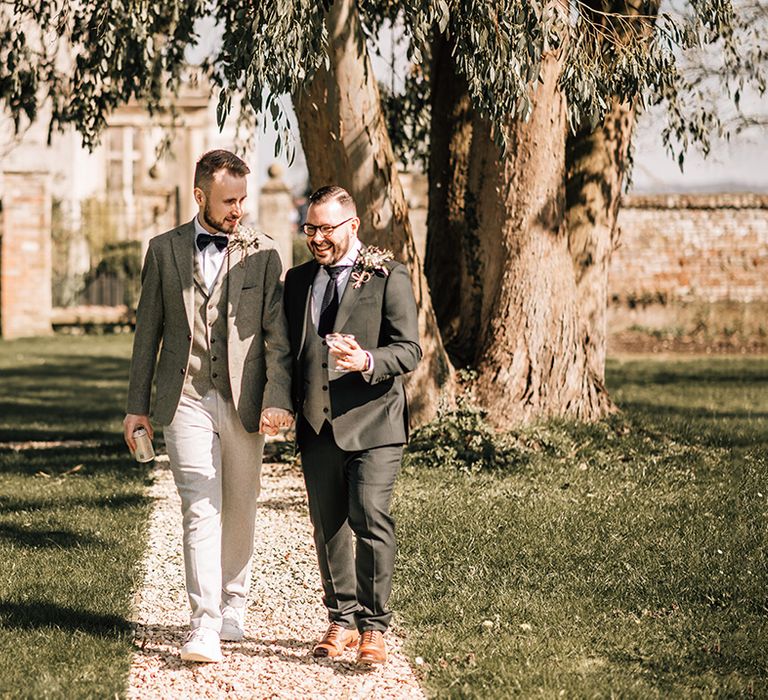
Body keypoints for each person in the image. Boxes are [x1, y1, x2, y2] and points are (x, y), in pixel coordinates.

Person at [123, 149, 293, 663]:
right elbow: (147, 332)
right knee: (200, 504)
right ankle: (204, 622)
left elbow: (276, 337)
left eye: (243, 199)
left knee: (240, 502)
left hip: (244, 399)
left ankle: (234, 601)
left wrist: (277, 399)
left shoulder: (264, 252)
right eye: (227, 200)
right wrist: (137, 406)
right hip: (187, 397)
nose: (237, 209)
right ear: (200, 197)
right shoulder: (163, 249)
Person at [283, 185, 421, 665]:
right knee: (329, 528)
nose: (317, 238)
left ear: (353, 225)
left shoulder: (388, 275)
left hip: (375, 423)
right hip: (317, 424)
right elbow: (287, 352)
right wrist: (282, 403)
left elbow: (409, 350)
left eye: (327, 228)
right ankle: (339, 621)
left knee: (369, 517)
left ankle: (374, 627)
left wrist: (366, 358)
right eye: (310, 228)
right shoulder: (297, 280)